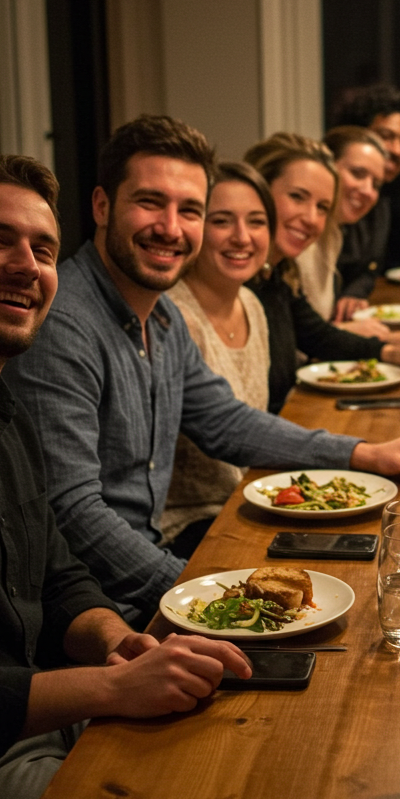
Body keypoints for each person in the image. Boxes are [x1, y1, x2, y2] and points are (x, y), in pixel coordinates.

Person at [1, 116, 400, 628]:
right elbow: (72, 510)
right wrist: (201, 595)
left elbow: (227, 421)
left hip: (153, 576)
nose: (171, 228)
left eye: (189, 209)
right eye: (151, 202)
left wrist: (364, 453)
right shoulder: (66, 323)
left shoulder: (162, 316)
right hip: (94, 609)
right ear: (102, 206)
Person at [0, 152, 251, 799]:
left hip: (54, 698)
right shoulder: (68, 333)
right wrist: (110, 685)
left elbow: (57, 569)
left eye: (41, 248)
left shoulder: (2, 407)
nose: (27, 265)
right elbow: (81, 515)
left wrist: (118, 639)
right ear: (104, 208)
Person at [245, 131, 400, 415]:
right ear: (260, 190)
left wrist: (392, 351)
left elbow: (316, 334)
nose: (311, 219)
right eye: (297, 197)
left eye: (323, 207)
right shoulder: (239, 283)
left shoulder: (276, 273)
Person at [163, 162, 274, 557]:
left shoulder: (252, 305)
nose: (242, 237)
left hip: (250, 503)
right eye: (222, 221)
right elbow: (228, 427)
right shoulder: (174, 317)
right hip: (190, 528)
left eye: (257, 222)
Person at [329, 84, 400, 318]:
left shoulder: (382, 199)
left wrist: (354, 293)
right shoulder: (327, 207)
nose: (396, 150)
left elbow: (370, 268)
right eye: (386, 136)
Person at [295, 125, 390, 330]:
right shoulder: (297, 236)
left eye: (376, 184)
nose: (368, 191)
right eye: (357, 173)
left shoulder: (333, 234)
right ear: (327, 168)